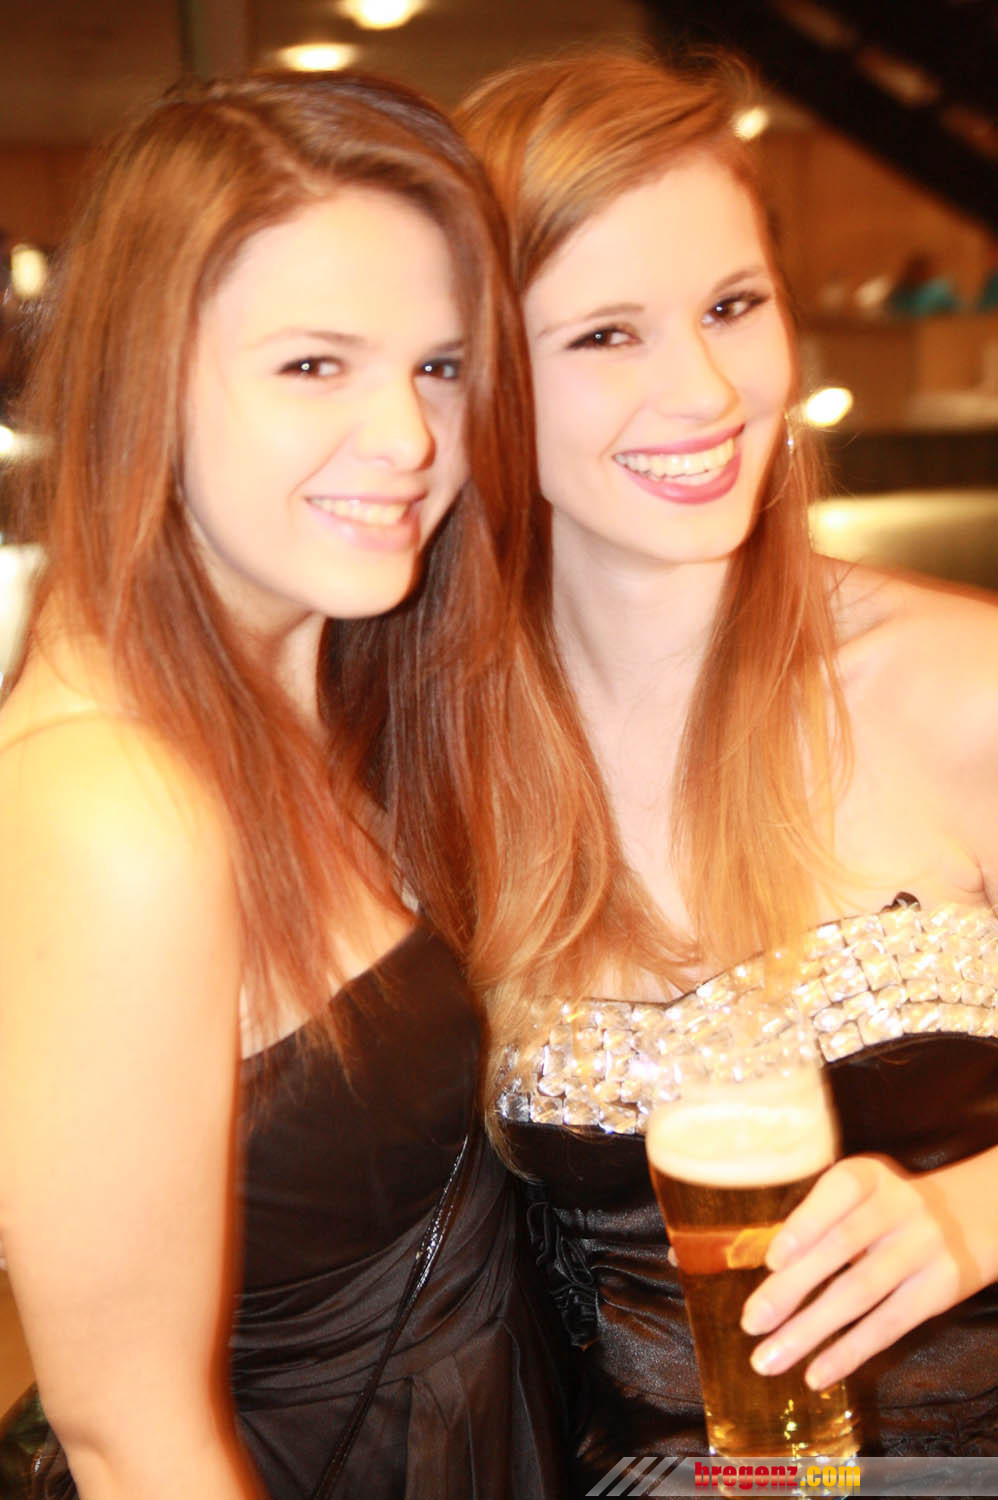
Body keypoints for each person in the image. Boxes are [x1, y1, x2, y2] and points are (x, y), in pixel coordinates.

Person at [0, 71, 593, 1499]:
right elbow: (134, 1441)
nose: (408, 438)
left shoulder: (323, 695)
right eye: (315, 366)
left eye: (439, 367)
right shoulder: (111, 809)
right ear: (142, 376)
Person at [457, 51, 998, 1477]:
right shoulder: (434, 772)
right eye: (604, 335)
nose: (701, 388)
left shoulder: (966, 685)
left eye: (730, 306)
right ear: (479, 381)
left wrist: (972, 1216)